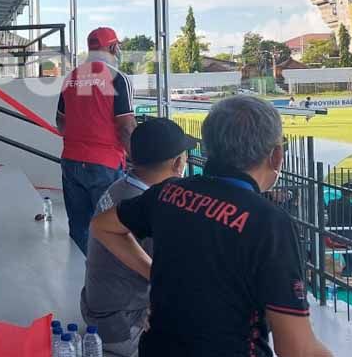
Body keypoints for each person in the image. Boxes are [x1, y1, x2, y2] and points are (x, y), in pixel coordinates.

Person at [91, 96, 332, 357]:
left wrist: (154, 273)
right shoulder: (269, 223)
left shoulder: (168, 192)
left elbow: (102, 226)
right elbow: (298, 349)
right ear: (276, 156)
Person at [81, 118, 193, 357]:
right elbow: (175, 279)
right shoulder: (152, 209)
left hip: (98, 312)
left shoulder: (122, 187)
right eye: (185, 156)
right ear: (177, 164)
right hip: (122, 328)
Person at [57, 27, 136, 253]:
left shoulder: (71, 77)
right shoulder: (118, 78)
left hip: (71, 161)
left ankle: (82, 275)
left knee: (79, 227)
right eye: (117, 46)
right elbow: (126, 127)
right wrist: (138, 160)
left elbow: (61, 123)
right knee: (111, 230)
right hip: (105, 164)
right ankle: (105, 281)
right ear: (112, 47)